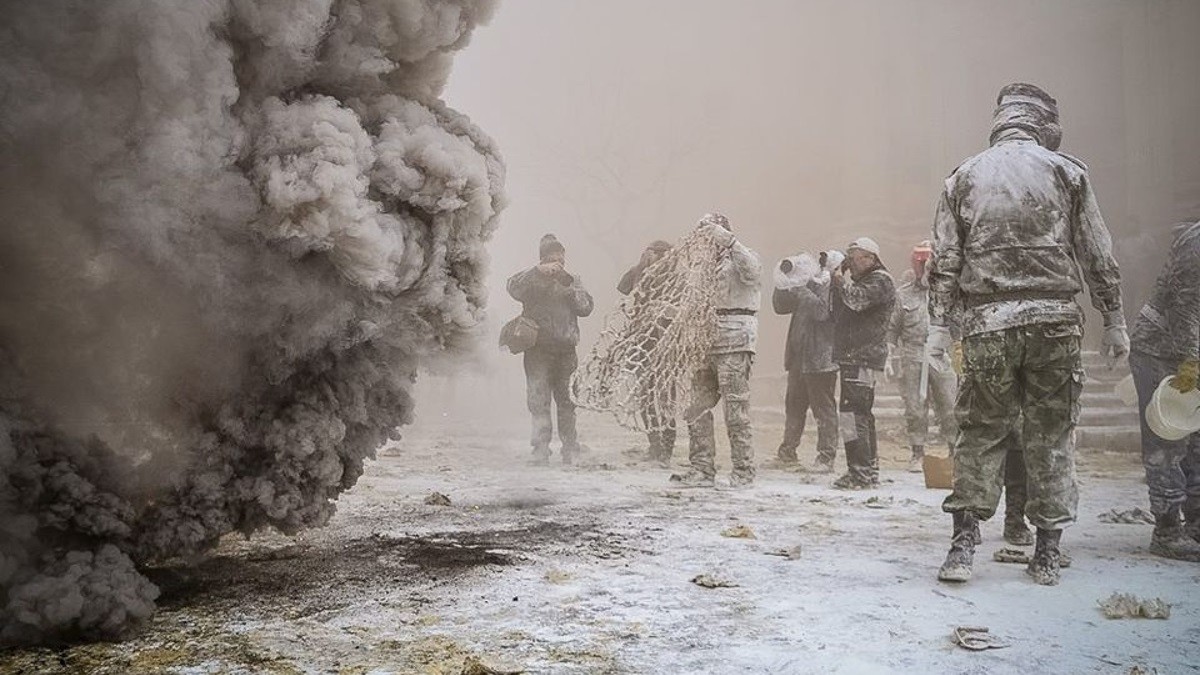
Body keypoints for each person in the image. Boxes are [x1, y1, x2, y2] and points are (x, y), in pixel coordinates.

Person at [930, 83, 1127, 585]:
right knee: (1052, 436)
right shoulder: (1068, 172)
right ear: (1044, 126)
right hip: (1054, 322)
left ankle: (963, 545)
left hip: (987, 326)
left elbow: (945, 261)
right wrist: (1114, 318)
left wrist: (937, 326)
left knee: (979, 433)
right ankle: (1046, 552)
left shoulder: (963, 175)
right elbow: (1097, 253)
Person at [672, 213, 762, 488]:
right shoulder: (700, 268)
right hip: (704, 341)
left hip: (735, 339)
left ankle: (744, 470)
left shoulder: (743, 257)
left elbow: (753, 273)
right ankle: (701, 468)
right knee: (695, 408)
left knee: (736, 411)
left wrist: (731, 243)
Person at [1128, 220, 1200, 561]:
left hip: (1191, 353)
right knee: (1168, 438)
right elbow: (1188, 306)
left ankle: (1197, 524)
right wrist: (1192, 361)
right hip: (1161, 351)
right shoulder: (1196, 244)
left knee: (1198, 443)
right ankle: (1168, 528)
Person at [507, 234, 595, 466]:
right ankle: (540, 451)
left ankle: (570, 449)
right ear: (543, 259)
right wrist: (538, 272)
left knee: (567, 403)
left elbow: (586, 308)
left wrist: (572, 288)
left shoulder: (572, 280)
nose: (558, 264)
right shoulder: (531, 280)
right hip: (538, 351)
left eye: (561, 260)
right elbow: (512, 288)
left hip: (566, 351)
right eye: (552, 259)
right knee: (538, 401)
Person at [887, 241, 958, 473]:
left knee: (949, 405)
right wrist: (889, 354)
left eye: (928, 262)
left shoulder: (949, 294)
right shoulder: (903, 295)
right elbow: (892, 328)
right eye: (920, 263)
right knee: (915, 407)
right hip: (913, 353)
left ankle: (954, 451)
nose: (924, 268)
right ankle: (917, 453)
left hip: (941, 354)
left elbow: (958, 322)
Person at [830, 237, 895, 490]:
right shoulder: (868, 280)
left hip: (864, 357)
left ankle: (861, 473)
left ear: (871, 258)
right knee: (856, 415)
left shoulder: (880, 281)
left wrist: (839, 280)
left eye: (856, 259)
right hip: (854, 356)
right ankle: (865, 469)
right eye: (850, 259)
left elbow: (855, 301)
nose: (853, 264)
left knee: (854, 415)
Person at [773, 251, 839, 472]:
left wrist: (801, 289)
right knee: (794, 407)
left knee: (824, 410)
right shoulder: (808, 286)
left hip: (820, 361)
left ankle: (826, 457)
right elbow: (780, 307)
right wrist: (783, 282)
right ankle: (787, 453)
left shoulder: (832, 286)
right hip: (799, 359)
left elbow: (822, 312)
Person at [618, 239, 677, 466]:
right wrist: (641, 267)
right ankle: (655, 446)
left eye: (659, 255)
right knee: (645, 397)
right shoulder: (641, 274)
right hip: (642, 342)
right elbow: (623, 287)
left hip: (666, 344)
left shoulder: (675, 278)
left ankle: (666, 450)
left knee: (666, 397)